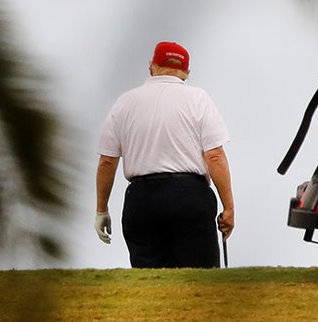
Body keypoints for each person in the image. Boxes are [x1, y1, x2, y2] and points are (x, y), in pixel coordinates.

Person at [95, 41, 234, 268]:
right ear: (186, 73)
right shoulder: (198, 99)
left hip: (141, 199)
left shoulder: (125, 102)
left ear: (152, 67)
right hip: (190, 197)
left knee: (149, 280)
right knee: (199, 280)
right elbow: (215, 156)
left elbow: (107, 161)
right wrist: (228, 208)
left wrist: (102, 209)